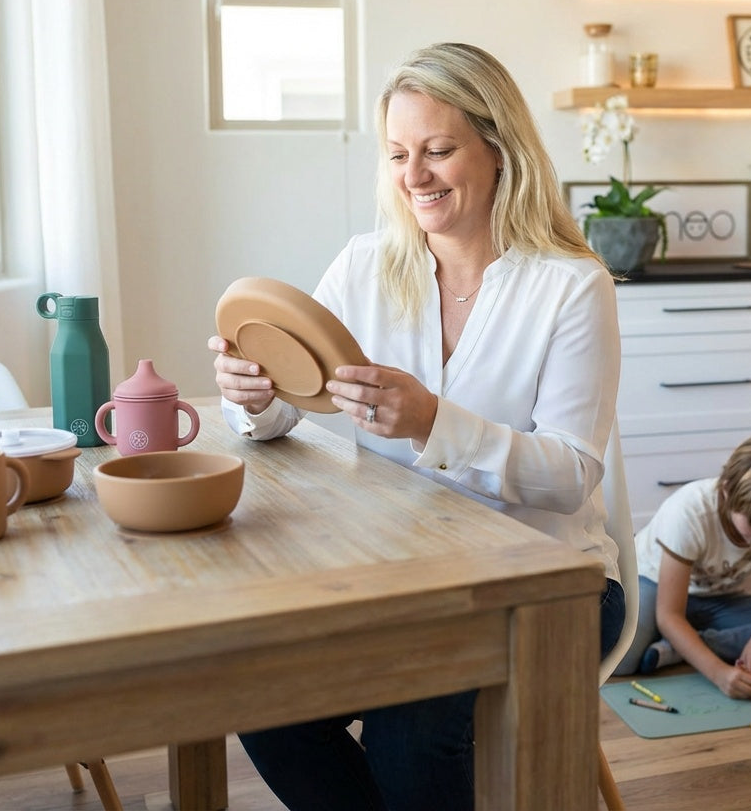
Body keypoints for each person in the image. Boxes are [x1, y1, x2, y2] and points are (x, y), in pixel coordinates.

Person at [207, 41, 626, 811]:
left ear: (500, 151)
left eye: (438, 150)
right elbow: (282, 415)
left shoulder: (571, 286)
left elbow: (570, 477)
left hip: (545, 584)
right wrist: (254, 393)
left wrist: (435, 421)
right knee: (262, 700)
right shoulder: (364, 268)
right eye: (399, 154)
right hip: (396, 578)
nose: (414, 176)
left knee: (412, 727)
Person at [613, 432, 751, 700]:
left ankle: (679, 648)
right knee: (621, 660)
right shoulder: (689, 512)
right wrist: (718, 673)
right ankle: (687, 643)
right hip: (653, 585)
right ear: (727, 490)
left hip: (717, 598)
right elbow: (669, 615)